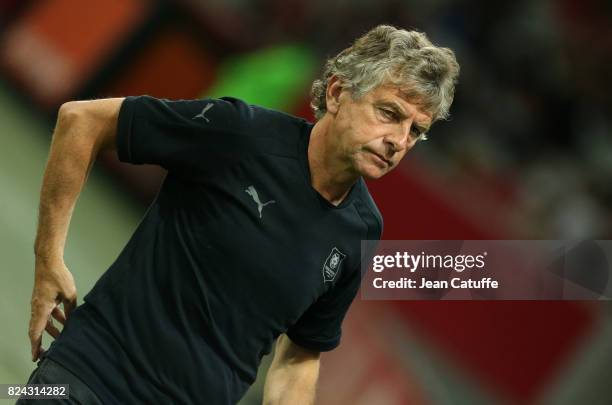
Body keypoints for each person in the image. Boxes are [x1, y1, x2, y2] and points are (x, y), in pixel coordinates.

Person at [24, 25, 459, 404]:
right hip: (82, 380)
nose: (398, 140)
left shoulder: (362, 229)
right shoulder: (240, 133)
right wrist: (48, 259)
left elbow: (301, 353)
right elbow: (81, 121)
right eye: (390, 114)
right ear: (338, 92)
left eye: (415, 130)